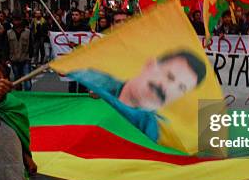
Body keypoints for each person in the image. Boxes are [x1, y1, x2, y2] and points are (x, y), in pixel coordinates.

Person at [68, 50, 206, 142]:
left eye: (180, 88)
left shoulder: (159, 131)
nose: (166, 88)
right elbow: (71, 69)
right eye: (169, 76)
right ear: (150, 65)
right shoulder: (98, 82)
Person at [7, 12, 33, 91]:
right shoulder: (9, 33)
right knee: (17, 81)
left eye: (19, 20)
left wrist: (30, 56)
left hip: (25, 59)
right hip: (14, 60)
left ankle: (28, 97)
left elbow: (31, 45)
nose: (17, 22)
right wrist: (7, 58)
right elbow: (6, 46)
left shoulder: (27, 32)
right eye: (15, 20)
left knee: (27, 82)